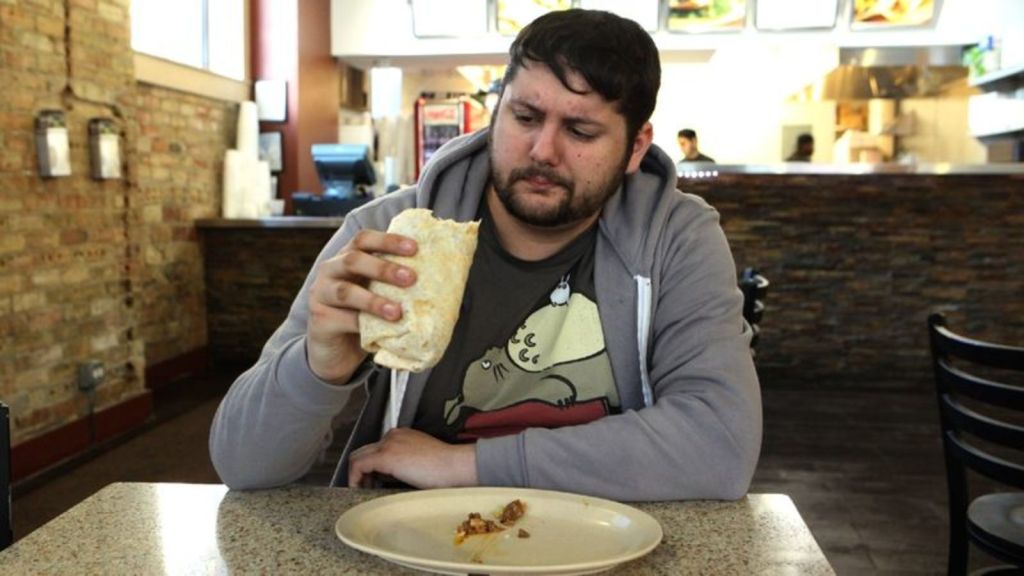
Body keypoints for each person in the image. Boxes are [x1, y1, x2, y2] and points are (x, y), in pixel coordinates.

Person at [209, 9, 761, 502]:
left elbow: (719, 446)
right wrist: (318, 367)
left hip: (600, 542)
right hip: (412, 546)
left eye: (580, 130)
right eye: (524, 117)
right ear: (496, 113)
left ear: (636, 147)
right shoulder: (384, 232)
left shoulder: (676, 238)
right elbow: (242, 465)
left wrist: (462, 465)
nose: (543, 151)